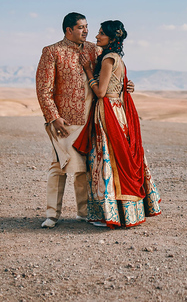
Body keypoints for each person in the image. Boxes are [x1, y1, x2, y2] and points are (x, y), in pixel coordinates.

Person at [73, 20, 161, 228]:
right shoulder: (117, 58)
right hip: (117, 110)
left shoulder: (108, 60)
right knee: (115, 161)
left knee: (105, 161)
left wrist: (87, 71)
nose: (96, 36)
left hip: (107, 113)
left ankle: (109, 215)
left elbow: (101, 92)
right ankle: (125, 214)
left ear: (112, 38)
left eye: (101, 34)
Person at [35, 12, 100, 229]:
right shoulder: (52, 52)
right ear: (68, 30)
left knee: (83, 168)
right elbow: (44, 89)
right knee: (58, 166)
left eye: (87, 26)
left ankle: (83, 213)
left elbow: (110, 74)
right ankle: (52, 215)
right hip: (63, 123)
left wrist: (126, 86)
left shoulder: (95, 50)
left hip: (89, 120)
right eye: (81, 27)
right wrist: (53, 117)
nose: (86, 31)